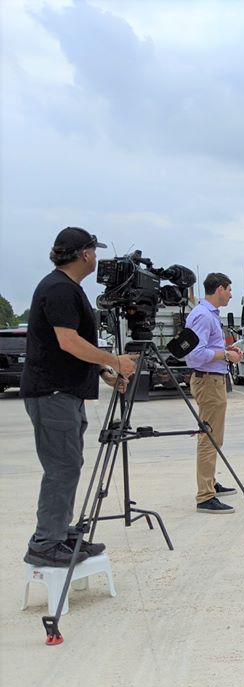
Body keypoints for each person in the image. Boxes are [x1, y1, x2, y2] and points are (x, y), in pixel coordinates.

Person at [21, 227, 137, 567]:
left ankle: (60, 532)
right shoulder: (59, 289)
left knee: (69, 465)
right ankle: (45, 543)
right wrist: (115, 360)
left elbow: (73, 348)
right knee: (62, 467)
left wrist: (103, 372)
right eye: (94, 251)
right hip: (52, 392)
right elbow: (68, 342)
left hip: (66, 391)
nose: (97, 258)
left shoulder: (67, 288)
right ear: (84, 253)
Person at [185, 272, 244, 514]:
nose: (231, 294)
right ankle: (205, 496)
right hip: (208, 381)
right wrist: (226, 355)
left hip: (213, 380)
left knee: (213, 436)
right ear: (220, 289)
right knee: (209, 438)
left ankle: (209, 482)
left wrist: (224, 349)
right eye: (229, 289)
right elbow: (194, 355)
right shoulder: (203, 316)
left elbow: (205, 348)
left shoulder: (208, 314)